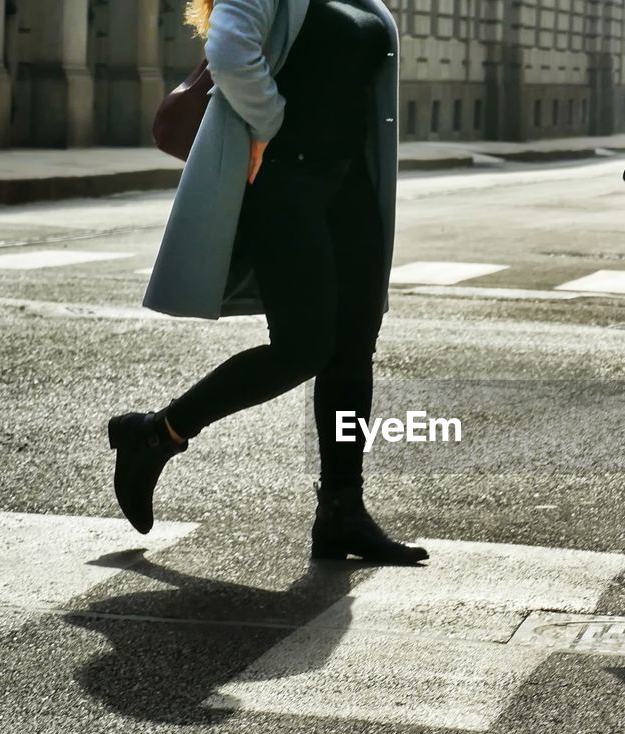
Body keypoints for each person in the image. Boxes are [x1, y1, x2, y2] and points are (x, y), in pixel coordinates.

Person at [109, 0, 428, 565]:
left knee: (353, 348)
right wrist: (271, 123)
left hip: (349, 185)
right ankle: (157, 433)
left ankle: (341, 512)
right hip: (286, 182)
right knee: (304, 346)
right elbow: (230, 51)